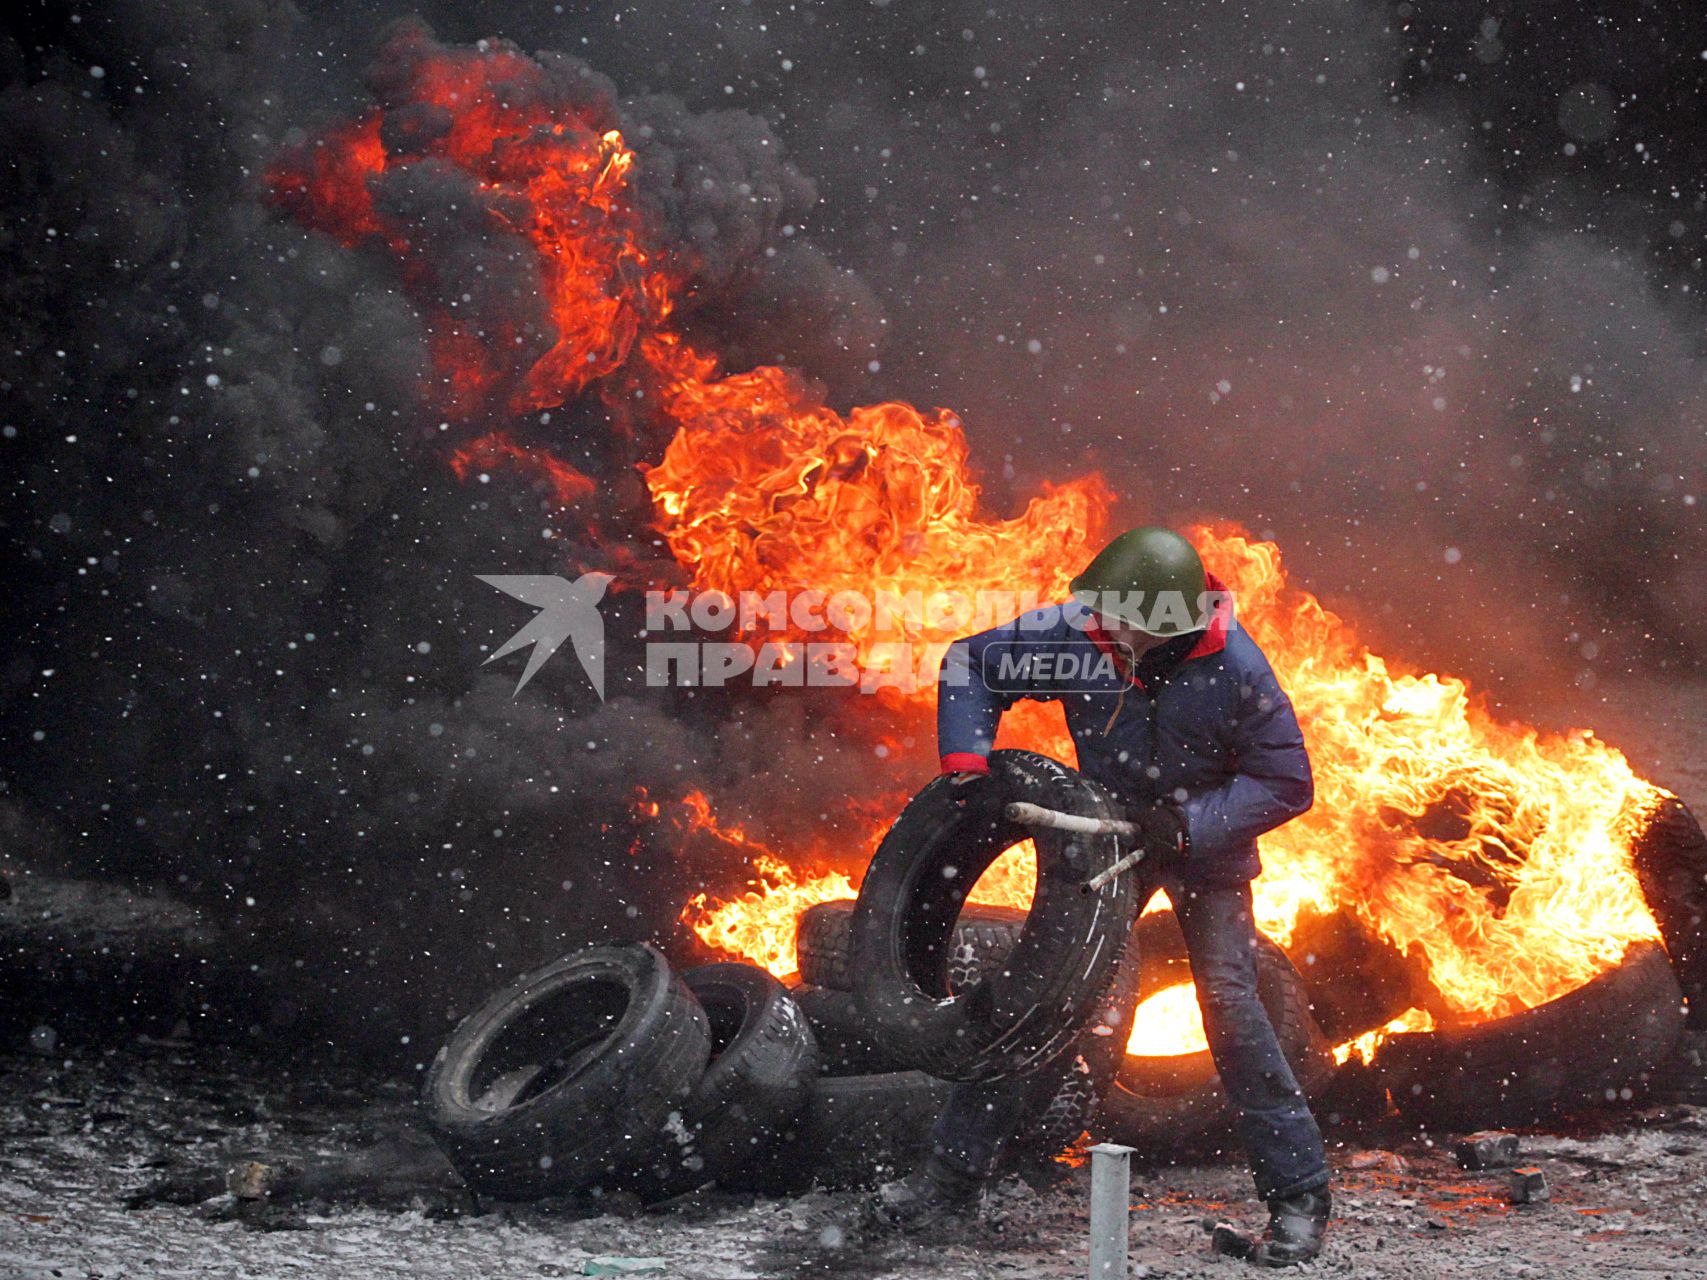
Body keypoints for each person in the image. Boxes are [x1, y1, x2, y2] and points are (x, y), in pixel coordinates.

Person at [869, 527, 1331, 1267]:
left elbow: (1286, 783)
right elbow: (972, 663)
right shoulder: (1078, 631)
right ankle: (949, 1184)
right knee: (1040, 1000)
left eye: (1118, 623)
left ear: (1166, 624)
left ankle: (1298, 1203)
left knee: (1231, 1007)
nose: (1098, 630)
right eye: (1099, 615)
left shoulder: (1236, 667)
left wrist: (1185, 824)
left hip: (1204, 851)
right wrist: (966, 763)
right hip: (1107, 839)